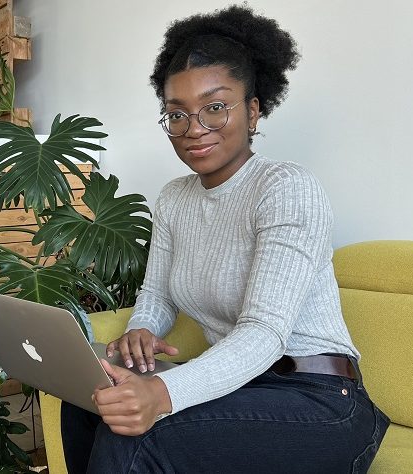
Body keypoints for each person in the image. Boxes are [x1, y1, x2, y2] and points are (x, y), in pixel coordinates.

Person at [60, 6, 389, 473]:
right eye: (177, 114)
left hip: (321, 401)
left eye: (215, 107)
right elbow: (156, 294)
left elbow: (265, 333)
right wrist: (143, 330)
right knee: (91, 400)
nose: (194, 128)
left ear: (253, 109)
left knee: (135, 440)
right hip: (244, 387)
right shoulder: (174, 198)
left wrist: (163, 393)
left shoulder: (285, 187)